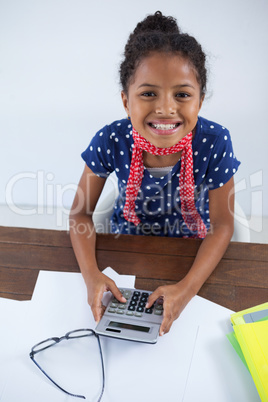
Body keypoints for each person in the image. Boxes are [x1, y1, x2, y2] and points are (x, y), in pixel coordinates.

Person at [69, 11, 240, 336]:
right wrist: (91, 273)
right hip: (126, 250)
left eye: (182, 95)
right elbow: (80, 213)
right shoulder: (111, 139)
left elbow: (222, 225)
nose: (165, 108)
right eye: (148, 93)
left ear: (200, 100)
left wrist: (186, 290)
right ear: (125, 100)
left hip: (191, 254)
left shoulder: (215, 141)